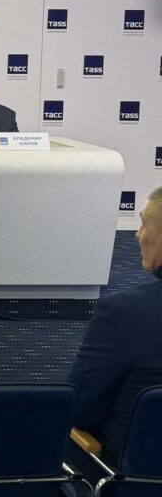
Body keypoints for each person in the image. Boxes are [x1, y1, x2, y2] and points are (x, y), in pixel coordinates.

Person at [67, 186, 162, 461]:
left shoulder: (124, 313)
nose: (137, 234)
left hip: (134, 477)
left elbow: (78, 408)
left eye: (143, 224)